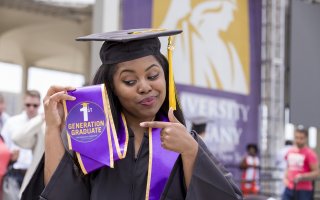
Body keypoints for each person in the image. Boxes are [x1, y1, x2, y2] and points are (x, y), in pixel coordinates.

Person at [21, 28, 243, 200]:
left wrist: (191, 152)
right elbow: (57, 195)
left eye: (153, 75)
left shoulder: (183, 142)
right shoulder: (95, 142)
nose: (145, 87)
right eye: (130, 81)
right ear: (112, 88)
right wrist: (53, 128)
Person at [159, 0, 248, 94]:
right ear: (214, 7)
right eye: (230, 11)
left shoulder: (230, 50)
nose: (232, 18)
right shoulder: (181, 34)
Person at [1, 90, 39, 200]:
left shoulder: (44, 125)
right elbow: (3, 146)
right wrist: (9, 156)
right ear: (23, 104)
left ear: (39, 105)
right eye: (28, 105)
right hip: (13, 173)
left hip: (34, 174)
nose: (31, 108)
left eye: (35, 105)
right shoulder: (12, 122)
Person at [11, 113, 45, 198]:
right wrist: (41, 118)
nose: (31, 108)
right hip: (36, 183)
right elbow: (17, 138)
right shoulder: (43, 126)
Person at [282, 128, 319, 200]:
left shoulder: (310, 154)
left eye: (301, 138)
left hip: (304, 190)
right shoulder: (290, 151)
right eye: (296, 138)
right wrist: (285, 178)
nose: (298, 140)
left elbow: (316, 172)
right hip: (289, 187)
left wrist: (302, 176)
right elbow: (288, 167)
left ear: (306, 138)